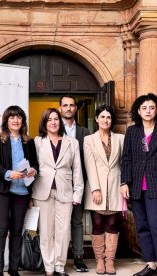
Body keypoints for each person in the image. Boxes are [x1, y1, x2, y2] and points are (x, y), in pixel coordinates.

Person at [120, 93, 157, 276]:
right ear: (138, 111)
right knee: (142, 226)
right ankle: (151, 265)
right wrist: (124, 182)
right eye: (144, 108)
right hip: (136, 187)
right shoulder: (132, 131)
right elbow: (126, 158)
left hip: (155, 186)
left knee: (156, 223)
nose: (148, 111)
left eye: (151, 107)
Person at [32, 108, 84, 276]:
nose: (53, 122)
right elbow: (33, 167)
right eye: (49, 119)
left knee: (64, 232)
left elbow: (77, 170)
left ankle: (59, 267)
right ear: (44, 123)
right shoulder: (38, 142)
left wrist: (78, 194)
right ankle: (49, 268)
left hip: (65, 192)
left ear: (60, 122)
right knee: (46, 232)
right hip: (42, 192)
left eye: (55, 119)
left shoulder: (72, 142)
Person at [0, 105, 39, 276]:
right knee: (1, 229)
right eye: (12, 117)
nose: (16, 120)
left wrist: (33, 170)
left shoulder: (29, 141)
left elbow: (35, 164)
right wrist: (9, 173)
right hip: (2, 190)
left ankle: (13, 269)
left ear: (23, 121)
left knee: (17, 231)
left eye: (18, 117)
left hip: (22, 192)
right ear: (6, 121)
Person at [83, 105, 124, 275]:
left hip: (115, 185)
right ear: (97, 119)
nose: (105, 120)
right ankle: (99, 259)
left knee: (113, 223)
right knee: (98, 223)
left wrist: (124, 184)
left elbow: (124, 163)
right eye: (102, 117)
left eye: (108, 117)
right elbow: (89, 165)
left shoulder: (121, 138)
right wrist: (96, 189)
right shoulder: (89, 139)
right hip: (96, 185)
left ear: (111, 120)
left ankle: (110, 260)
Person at [59, 95, 90, 273]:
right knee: (60, 224)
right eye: (65, 105)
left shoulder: (84, 132)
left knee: (77, 222)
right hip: (59, 185)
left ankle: (78, 258)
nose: (69, 108)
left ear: (75, 109)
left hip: (78, 184)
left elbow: (87, 161)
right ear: (60, 108)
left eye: (71, 105)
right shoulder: (54, 128)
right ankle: (59, 258)